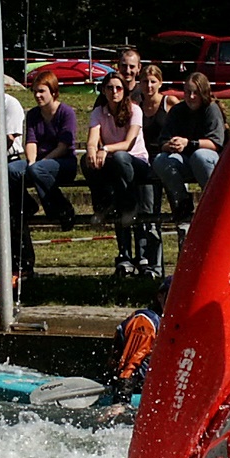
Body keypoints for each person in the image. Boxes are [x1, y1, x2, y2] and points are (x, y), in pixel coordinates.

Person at [4, 69, 78, 275]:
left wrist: (39, 164)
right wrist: (31, 162)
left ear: (53, 92)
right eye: (35, 91)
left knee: (38, 170)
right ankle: (24, 207)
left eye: (42, 91)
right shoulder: (34, 115)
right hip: (39, 163)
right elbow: (31, 142)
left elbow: (64, 145)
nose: (37, 95)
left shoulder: (66, 113)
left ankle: (62, 209)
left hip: (63, 162)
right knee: (11, 170)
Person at [83, 70, 152, 277]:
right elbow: (92, 140)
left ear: (124, 91)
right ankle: (103, 203)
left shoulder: (135, 110)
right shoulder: (98, 112)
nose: (114, 92)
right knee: (86, 162)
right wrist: (91, 152)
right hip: (115, 164)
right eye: (110, 88)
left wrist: (104, 149)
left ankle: (128, 204)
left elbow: (129, 143)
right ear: (104, 91)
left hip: (136, 161)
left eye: (118, 88)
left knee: (121, 158)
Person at [152, 71, 225, 246]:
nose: (191, 97)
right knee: (161, 160)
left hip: (207, 158)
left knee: (199, 156)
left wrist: (189, 143)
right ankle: (182, 204)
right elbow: (162, 142)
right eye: (187, 92)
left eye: (195, 93)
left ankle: (212, 203)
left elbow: (216, 143)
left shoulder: (211, 110)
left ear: (203, 93)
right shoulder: (177, 111)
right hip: (182, 159)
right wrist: (171, 145)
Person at [137, 63, 179, 278]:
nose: (149, 85)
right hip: (146, 163)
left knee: (180, 212)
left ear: (160, 83)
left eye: (153, 81)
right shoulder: (135, 104)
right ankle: (155, 267)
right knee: (150, 216)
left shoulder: (169, 102)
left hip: (169, 160)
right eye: (145, 81)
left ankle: (184, 265)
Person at [108, 275, 170, 408]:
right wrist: (121, 401)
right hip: (130, 385)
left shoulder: (174, 324)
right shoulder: (145, 322)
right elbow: (130, 364)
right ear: (160, 296)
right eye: (172, 295)